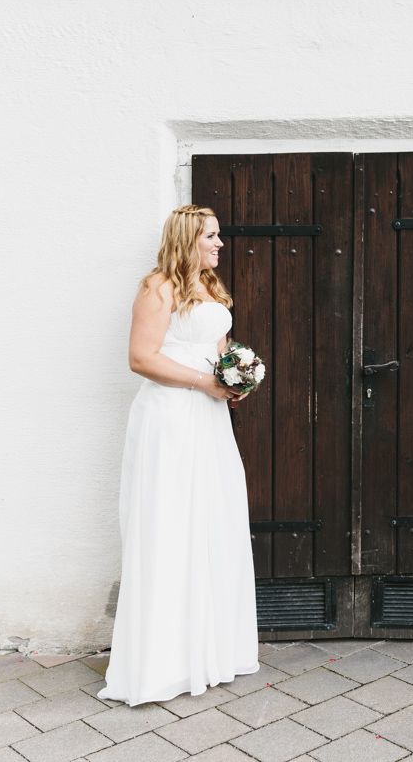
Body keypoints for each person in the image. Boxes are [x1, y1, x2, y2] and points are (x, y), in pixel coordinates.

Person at [99, 205, 259, 706]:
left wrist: (237, 378)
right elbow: (141, 357)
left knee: (214, 519)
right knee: (169, 523)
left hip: (209, 419)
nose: (220, 243)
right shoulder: (158, 287)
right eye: (212, 236)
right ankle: (162, 661)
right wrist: (204, 382)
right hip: (169, 418)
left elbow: (218, 351)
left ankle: (209, 651)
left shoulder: (209, 287)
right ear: (187, 238)